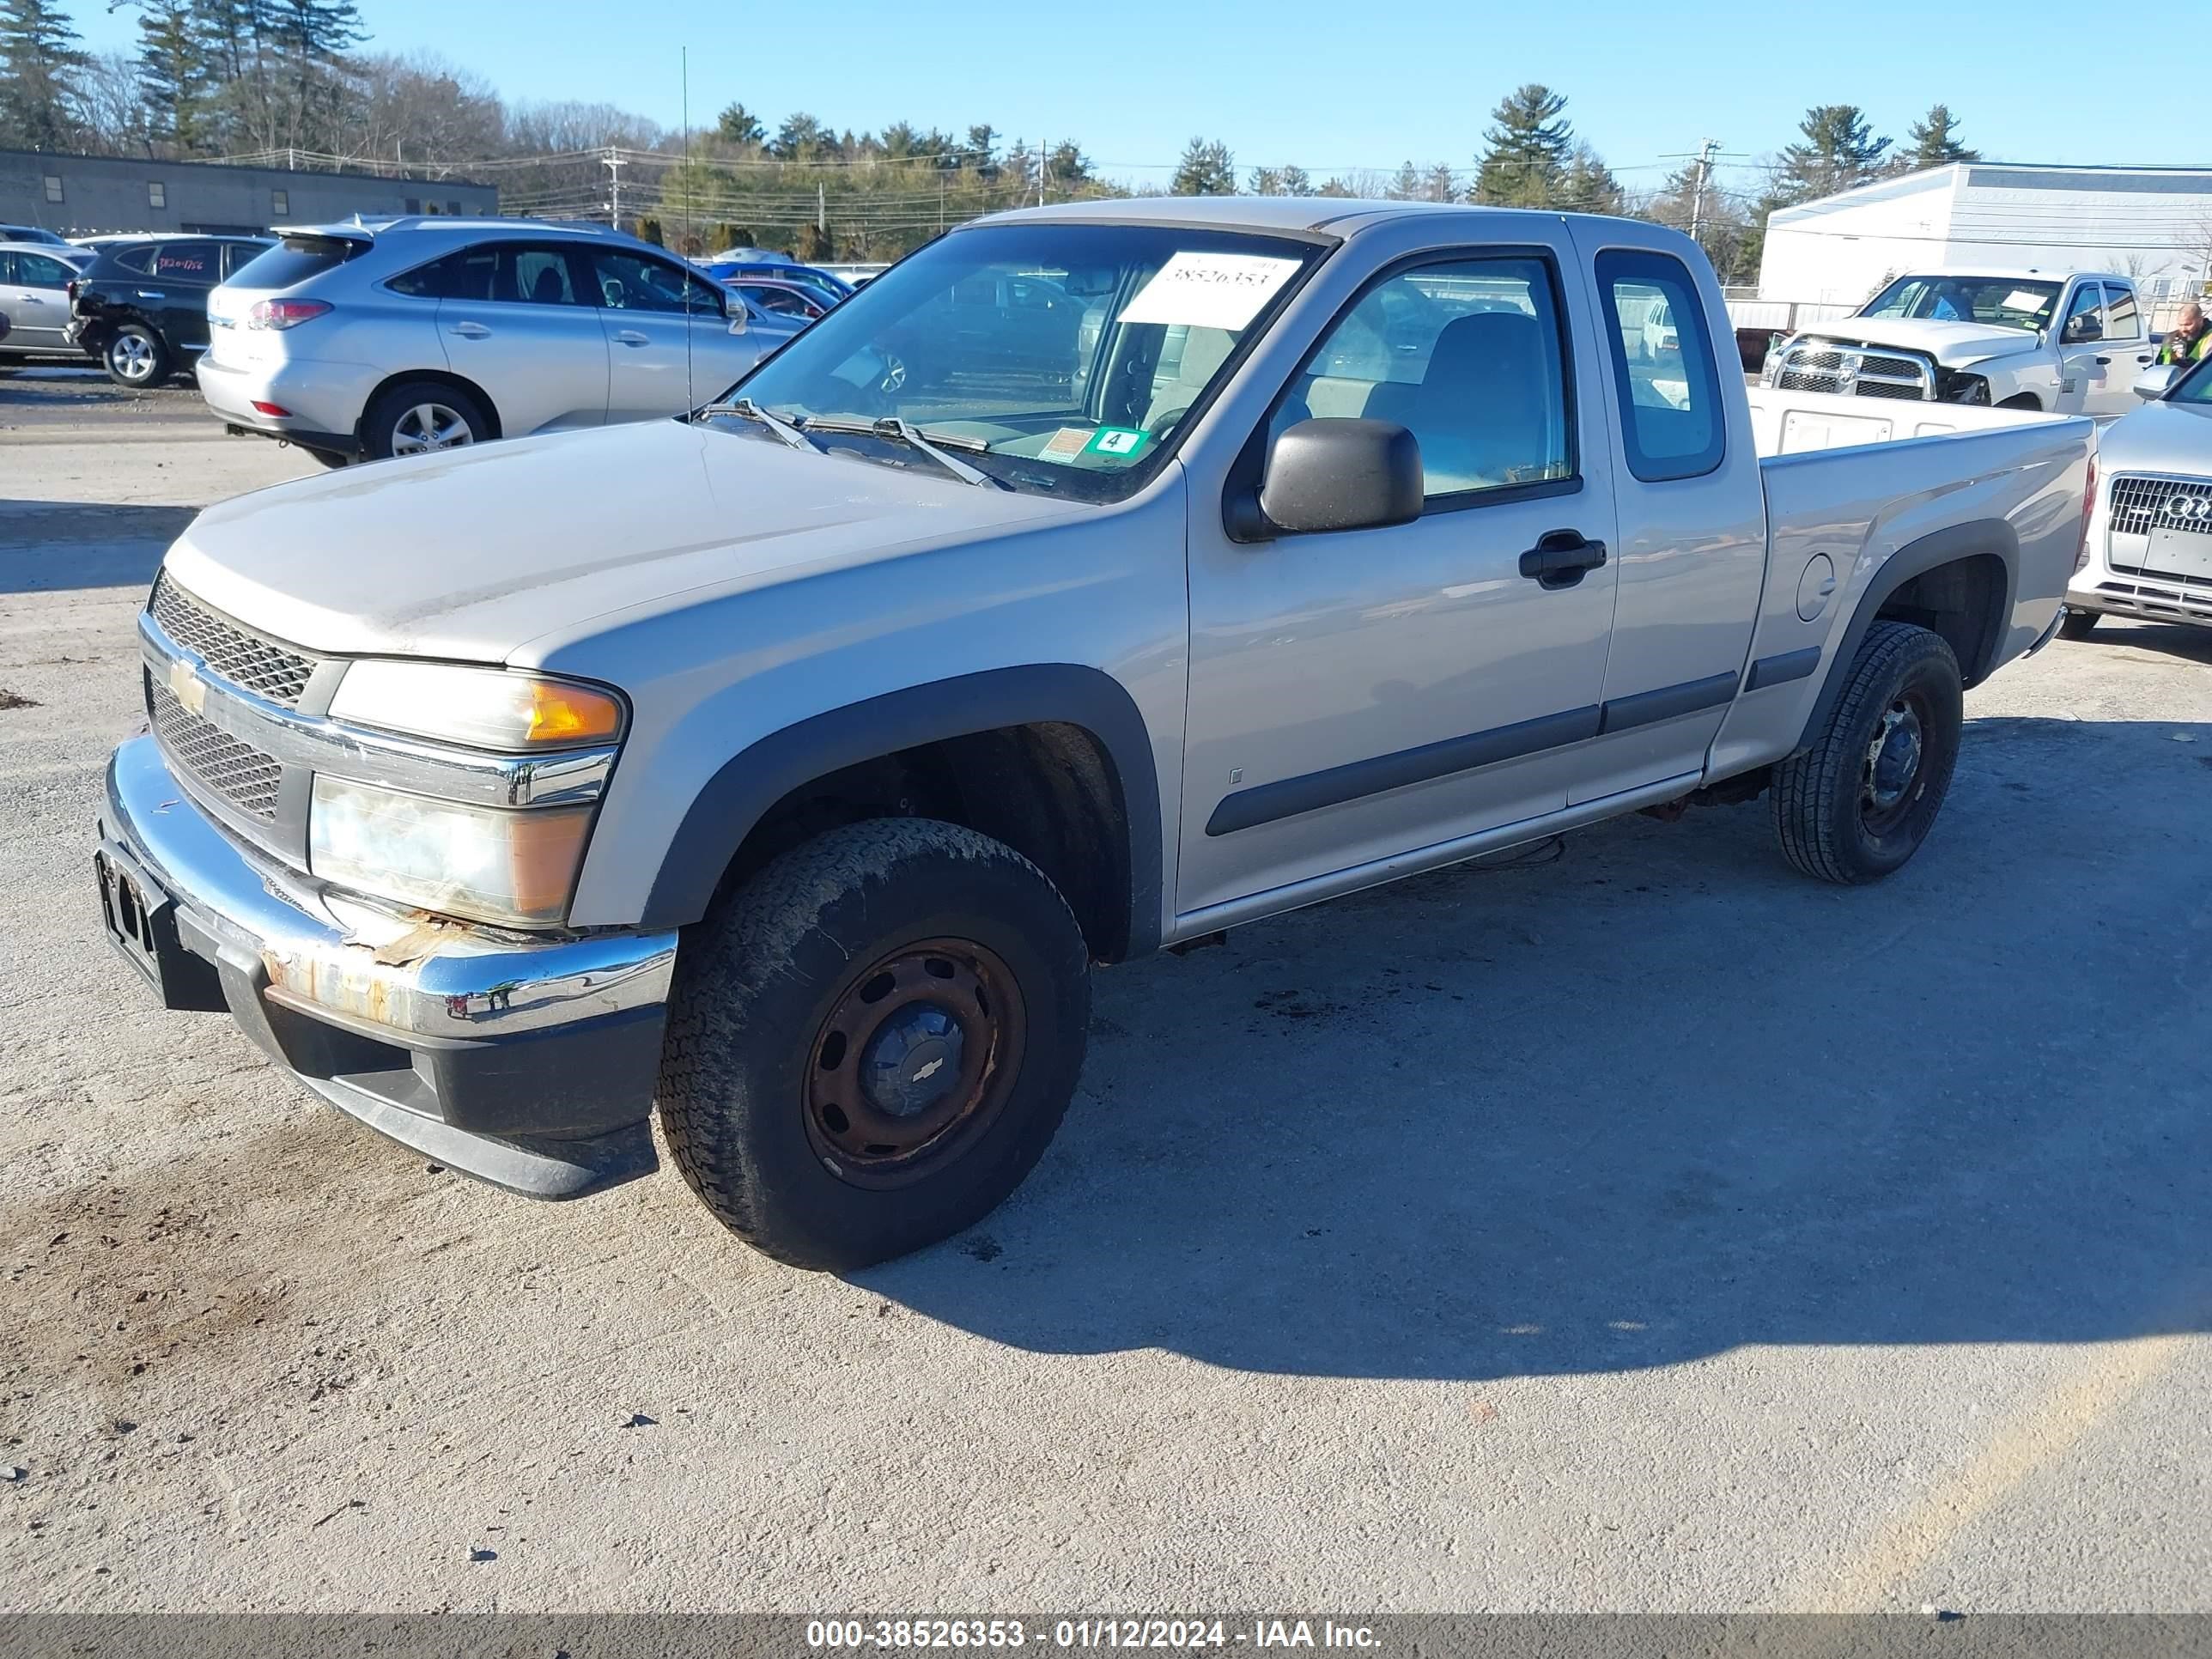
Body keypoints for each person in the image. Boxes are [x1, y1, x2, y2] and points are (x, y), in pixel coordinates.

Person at [2157, 301, 2210, 367]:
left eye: (2188, 324)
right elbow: (2158, 365)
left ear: (2200, 320)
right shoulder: (2170, 338)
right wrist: (2174, 358)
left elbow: (2205, 368)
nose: (2183, 329)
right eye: (2180, 325)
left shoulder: (2209, 336)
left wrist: (2181, 361)